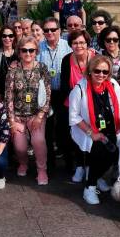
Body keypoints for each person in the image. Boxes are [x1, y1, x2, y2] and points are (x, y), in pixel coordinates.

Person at [70, 56, 120, 205]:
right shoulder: (80, 88)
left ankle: (97, 177)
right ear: (90, 70)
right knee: (99, 149)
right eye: (97, 71)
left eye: (105, 72)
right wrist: (92, 133)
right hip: (88, 131)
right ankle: (89, 188)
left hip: (111, 127)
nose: (101, 75)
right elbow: (74, 117)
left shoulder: (113, 85)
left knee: (117, 151)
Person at [6, 36, 51, 185]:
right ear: (19, 52)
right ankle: (23, 163)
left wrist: (40, 115)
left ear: (36, 51)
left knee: (38, 141)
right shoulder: (13, 70)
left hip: (36, 114)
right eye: (24, 50)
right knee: (20, 147)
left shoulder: (42, 68)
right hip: (18, 116)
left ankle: (41, 170)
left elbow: (48, 93)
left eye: (31, 50)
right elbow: (9, 96)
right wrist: (12, 121)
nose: (28, 53)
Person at [37, 17, 72, 172]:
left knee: (64, 129)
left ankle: (69, 162)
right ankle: (49, 164)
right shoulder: (38, 47)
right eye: (46, 30)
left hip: (64, 93)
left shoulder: (68, 46)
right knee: (47, 131)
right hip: (46, 95)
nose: (50, 33)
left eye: (53, 30)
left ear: (59, 31)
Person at [60, 29, 95, 179]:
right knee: (76, 137)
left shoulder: (95, 58)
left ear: (87, 43)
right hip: (73, 105)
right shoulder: (66, 60)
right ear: (70, 45)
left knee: (92, 136)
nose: (79, 45)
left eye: (82, 42)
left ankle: (91, 168)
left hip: (92, 105)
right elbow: (64, 85)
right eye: (75, 43)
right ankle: (80, 166)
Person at [99, 25, 120, 95]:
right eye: (108, 40)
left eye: (115, 39)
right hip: (107, 94)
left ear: (119, 41)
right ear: (103, 41)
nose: (112, 42)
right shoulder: (99, 56)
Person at [0, 25, 18, 99]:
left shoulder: (19, 54)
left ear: (14, 37)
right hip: (0, 95)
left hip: (17, 95)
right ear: (1, 38)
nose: (7, 38)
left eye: (10, 36)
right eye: (4, 36)